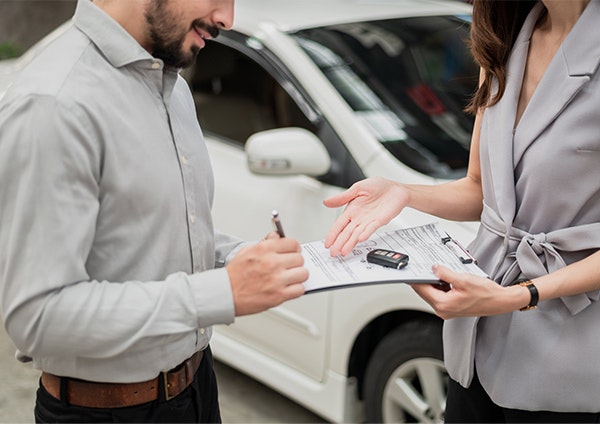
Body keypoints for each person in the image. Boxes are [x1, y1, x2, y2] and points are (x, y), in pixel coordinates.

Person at [0, 0, 308, 422]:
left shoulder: (173, 87)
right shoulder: (53, 102)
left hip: (198, 386)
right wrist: (222, 293)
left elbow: (154, 230)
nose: (227, 19)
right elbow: (37, 316)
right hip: (105, 412)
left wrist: (242, 261)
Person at [323, 0, 600, 422]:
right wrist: (403, 192)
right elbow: (479, 189)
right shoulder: (505, 42)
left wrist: (519, 296)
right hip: (476, 342)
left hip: (570, 357)